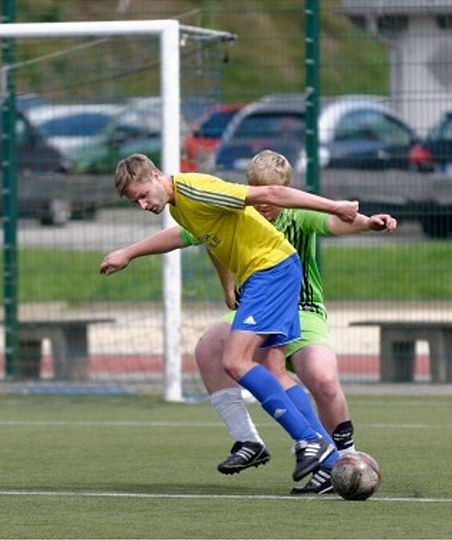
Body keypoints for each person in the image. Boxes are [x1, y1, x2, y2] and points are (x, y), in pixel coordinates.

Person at [104, 150, 397, 494]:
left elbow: (275, 196)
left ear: (155, 176)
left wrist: (339, 207)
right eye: (133, 201)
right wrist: (131, 253)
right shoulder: (180, 205)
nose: (141, 204)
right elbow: (205, 238)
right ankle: (323, 457)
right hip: (272, 273)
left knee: (235, 360)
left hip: (270, 273)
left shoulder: (196, 189)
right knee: (266, 366)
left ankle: (310, 440)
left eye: (141, 195)